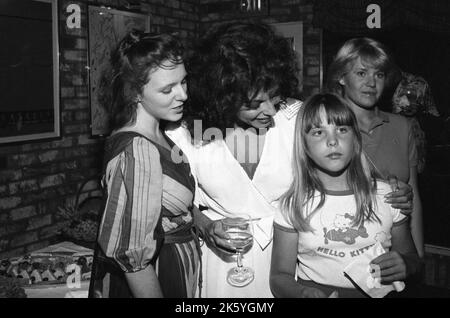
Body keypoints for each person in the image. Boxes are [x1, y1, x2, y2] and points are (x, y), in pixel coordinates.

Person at [166, 22, 412, 298]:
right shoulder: (190, 133)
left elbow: (349, 161)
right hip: (221, 265)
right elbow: (180, 206)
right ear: (223, 96)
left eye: (274, 97)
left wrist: (391, 190)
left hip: (286, 262)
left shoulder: (294, 117)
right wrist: (207, 226)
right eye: (254, 104)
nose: (270, 110)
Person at [270, 93, 422, 298]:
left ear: (355, 139)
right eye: (318, 132)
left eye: (342, 130)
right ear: (304, 145)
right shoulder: (293, 203)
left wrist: (405, 264)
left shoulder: (387, 195)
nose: (332, 141)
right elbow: (280, 276)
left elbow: (412, 258)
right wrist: (301, 293)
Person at [88, 30, 200, 298]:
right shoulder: (138, 150)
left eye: (183, 82)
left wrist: (205, 225)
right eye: (167, 89)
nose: (183, 94)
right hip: (158, 277)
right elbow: (133, 259)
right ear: (134, 93)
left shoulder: (161, 134)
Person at [326, 37, 424, 258]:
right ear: (341, 76)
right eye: (361, 73)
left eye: (378, 74)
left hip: (393, 251)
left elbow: (414, 195)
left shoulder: (402, 126)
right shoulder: (326, 127)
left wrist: (416, 258)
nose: (372, 83)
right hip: (341, 251)